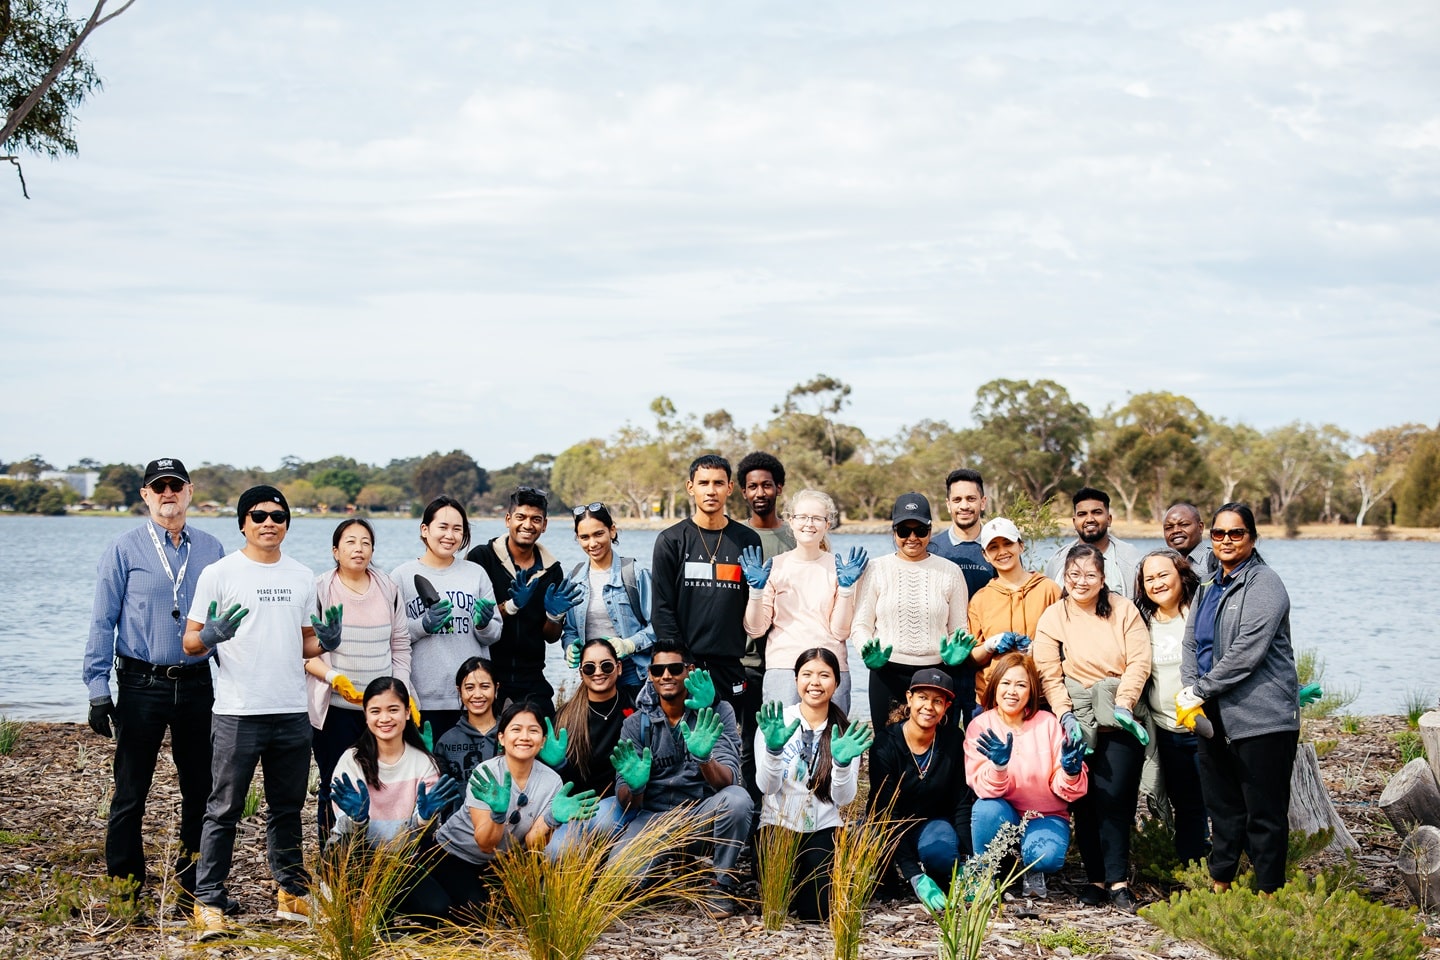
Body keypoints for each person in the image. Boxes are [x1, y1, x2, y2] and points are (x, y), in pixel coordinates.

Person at [183, 485, 331, 939]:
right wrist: (210, 636)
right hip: (238, 711)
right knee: (223, 809)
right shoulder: (219, 573)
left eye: (278, 516)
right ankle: (208, 901)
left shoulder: (302, 575)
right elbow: (189, 643)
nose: (269, 522)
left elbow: (306, 642)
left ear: (287, 523)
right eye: (259, 515)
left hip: (291, 709)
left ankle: (291, 892)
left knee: (287, 808)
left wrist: (328, 640)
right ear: (243, 523)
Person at [82, 457, 226, 908]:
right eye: (158, 487)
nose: (168, 494)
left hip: (198, 684)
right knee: (130, 792)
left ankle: (192, 889)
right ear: (145, 495)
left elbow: (225, 623)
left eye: (175, 486)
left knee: (200, 790)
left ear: (189, 492)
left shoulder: (212, 549)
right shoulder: (124, 549)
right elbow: (102, 621)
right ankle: (125, 891)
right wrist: (98, 689)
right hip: (141, 684)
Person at [1180, 503, 1299, 895]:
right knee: (1223, 809)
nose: (1226, 541)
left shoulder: (1265, 584)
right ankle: (1221, 885)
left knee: (1264, 814)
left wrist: (1199, 689)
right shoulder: (1207, 585)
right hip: (1213, 717)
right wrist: (1191, 693)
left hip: (1262, 718)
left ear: (1252, 537)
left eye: (1236, 533)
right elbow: (1191, 644)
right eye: (1219, 533)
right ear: (1211, 537)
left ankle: (1269, 893)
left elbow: (1247, 652)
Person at [1032, 543, 1152, 913]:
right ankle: (1095, 879)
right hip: (1077, 718)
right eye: (1074, 574)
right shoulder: (1054, 616)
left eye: (1090, 575)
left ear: (1103, 578)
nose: (1081, 581)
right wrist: (1064, 714)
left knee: (1115, 800)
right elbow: (1048, 672)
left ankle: (1118, 881)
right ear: (1064, 576)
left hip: (1119, 716)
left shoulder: (1123, 609)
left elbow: (1140, 660)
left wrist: (1124, 703)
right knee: (1083, 801)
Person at [610, 641, 753, 918]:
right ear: (650, 675)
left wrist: (704, 758)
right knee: (619, 885)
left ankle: (720, 883)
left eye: (675, 668)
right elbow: (627, 802)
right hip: (654, 819)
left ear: (689, 670)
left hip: (700, 816)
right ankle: (656, 875)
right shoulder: (635, 724)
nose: (666, 675)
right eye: (658, 670)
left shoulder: (717, 712)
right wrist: (635, 787)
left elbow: (728, 782)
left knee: (738, 801)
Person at [430, 702, 600, 916]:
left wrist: (551, 819)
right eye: (516, 729)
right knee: (479, 915)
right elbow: (485, 844)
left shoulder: (552, 781)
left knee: (529, 911)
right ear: (502, 737)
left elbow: (532, 843)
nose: (524, 737)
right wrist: (498, 814)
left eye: (533, 730)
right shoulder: (487, 773)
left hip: (503, 861)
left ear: (543, 741)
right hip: (456, 853)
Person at [305, 518, 411, 847]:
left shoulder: (388, 588)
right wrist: (334, 677)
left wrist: (401, 693)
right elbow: (304, 652)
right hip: (335, 709)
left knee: (378, 782)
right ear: (335, 551)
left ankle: (373, 858)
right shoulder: (320, 589)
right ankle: (333, 860)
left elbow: (400, 645)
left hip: (379, 711)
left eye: (365, 542)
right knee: (334, 784)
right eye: (350, 542)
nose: (358, 548)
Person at [326, 677, 461, 926]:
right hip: (358, 858)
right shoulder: (351, 761)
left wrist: (424, 819)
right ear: (365, 716)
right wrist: (357, 820)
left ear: (407, 713)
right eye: (375, 711)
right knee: (365, 916)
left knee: (438, 909)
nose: (385, 718)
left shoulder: (423, 762)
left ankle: (386, 905)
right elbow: (343, 829)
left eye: (393, 709)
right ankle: (353, 903)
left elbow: (423, 832)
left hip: (401, 861)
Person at [753, 648, 874, 922]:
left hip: (823, 828)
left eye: (824, 675)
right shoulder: (776, 722)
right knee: (774, 905)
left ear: (837, 682)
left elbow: (843, 799)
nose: (815, 682)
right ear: (796, 679)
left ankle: (807, 883)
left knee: (816, 913)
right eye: (807, 674)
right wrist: (773, 750)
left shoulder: (844, 732)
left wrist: (841, 764)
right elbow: (766, 787)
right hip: (778, 826)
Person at [964, 653, 1087, 900]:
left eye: (1021, 685)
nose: (1012, 691)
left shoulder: (1048, 723)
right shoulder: (980, 725)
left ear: (1032, 691)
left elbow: (1065, 789)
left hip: (1045, 815)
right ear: (995, 685)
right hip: (1002, 812)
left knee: (1046, 858)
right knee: (985, 809)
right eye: (1006, 683)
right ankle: (985, 873)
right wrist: (999, 766)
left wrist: (1071, 773)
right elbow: (983, 789)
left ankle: (1032, 868)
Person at [650, 455, 762, 713]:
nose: (711, 491)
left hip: (730, 664)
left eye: (718, 483)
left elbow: (753, 604)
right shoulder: (671, 540)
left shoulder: (747, 540)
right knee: (686, 733)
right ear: (691, 487)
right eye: (703, 483)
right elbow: (662, 609)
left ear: (730, 488)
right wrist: (681, 662)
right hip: (685, 667)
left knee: (730, 735)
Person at [850, 493, 972, 730]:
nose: (912, 538)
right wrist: (867, 652)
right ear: (894, 531)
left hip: (935, 674)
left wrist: (953, 655)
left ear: (930, 530)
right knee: (887, 744)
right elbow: (860, 625)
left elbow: (959, 628)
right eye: (904, 530)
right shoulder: (875, 568)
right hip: (886, 671)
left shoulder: (951, 571)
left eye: (920, 530)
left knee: (935, 744)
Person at [742, 489, 864, 713]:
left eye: (817, 518)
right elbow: (755, 629)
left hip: (831, 667)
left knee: (832, 735)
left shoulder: (840, 569)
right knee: (781, 733)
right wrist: (756, 591)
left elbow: (840, 632)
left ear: (827, 524)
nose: (809, 523)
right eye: (802, 517)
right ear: (791, 521)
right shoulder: (773, 566)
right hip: (784, 667)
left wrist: (846, 589)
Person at [391, 496, 502, 742]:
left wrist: (483, 624)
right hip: (422, 697)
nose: (450, 535)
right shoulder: (401, 576)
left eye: (457, 529)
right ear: (425, 529)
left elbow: (495, 633)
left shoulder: (476, 573)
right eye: (443, 527)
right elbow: (392, 635)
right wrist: (423, 625)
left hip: (471, 697)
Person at [468, 487, 581, 719]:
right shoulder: (482, 558)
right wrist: (511, 606)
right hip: (487, 672)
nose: (528, 525)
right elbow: (474, 619)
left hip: (532, 676)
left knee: (546, 731)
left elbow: (551, 636)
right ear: (508, 519)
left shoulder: (552, 570)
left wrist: (554, 616)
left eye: (536, 519)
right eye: (521, 517)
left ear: (544, 525)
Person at [866, 669, 972, 912]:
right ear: (909, 698)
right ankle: (901, 877)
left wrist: (968, 860)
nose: (929, 707)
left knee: (943, 852)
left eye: (937, 701)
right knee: (877, 864)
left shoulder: (953, 740)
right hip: (888, 824)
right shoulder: (885, 743)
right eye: (922, 697)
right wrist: (914, 875)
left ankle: (938, 873)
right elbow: (884, 812)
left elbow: (961, 801)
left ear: (946, 707)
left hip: (930, 823)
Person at [1134, 548, 1209, 865]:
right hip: (1167, 731)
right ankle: (1193, 868)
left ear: (1181, 575)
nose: (1157, 583)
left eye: (1163, 575)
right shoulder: (1142, 622)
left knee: (1220, 801)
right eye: (1149, 579)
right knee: (1187, 805)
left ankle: (1233, 867)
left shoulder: (1200, 613)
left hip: (1205, 727)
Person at [545, 638, 639, 852]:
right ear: (581, 672)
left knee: (601, 823)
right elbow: (566, 783)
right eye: (589, 667)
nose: (598, 672)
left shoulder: (636, 703)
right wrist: (559, 766)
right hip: (581, 803)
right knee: (555, 852)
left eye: (606, 666)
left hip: (626, 799)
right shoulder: (566, 717)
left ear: (619, 668)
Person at [965, 517, 1060, 707]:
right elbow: (973, 658)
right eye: (993, 547)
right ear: (985, 555)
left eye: (1008, 543)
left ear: (1021, 546)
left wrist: (1038, 650)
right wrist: (989, 646)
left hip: (1041, 697)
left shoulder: (1049, 590)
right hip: (993, 699)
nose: (1002, 552)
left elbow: (1067, 644)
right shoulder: (980, 599)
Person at [561, 502, 655, 691]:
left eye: (598, 534)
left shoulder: (635, 574)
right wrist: (569, 647)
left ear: (612, 531)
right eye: (584, 537)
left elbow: (659, 625)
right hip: (594, 676)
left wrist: (629, 644)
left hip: (634, 675)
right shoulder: (574, 579)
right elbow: (570, 630)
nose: (592, 543)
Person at [1043, 488, 1141, 599]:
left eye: (1097, 512)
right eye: (1082, 514)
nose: (1089, 519)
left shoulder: (1130, 558)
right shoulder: (1058, 561)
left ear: (1109, 519)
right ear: (1074, 522)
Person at [433, 657, 502, 788]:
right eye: (470, 688)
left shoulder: (510, 733)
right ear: (460, 691)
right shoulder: (447, 740)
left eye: (485, 687)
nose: (477, 695)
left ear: (496, 688)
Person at [928, 468, 997, 598]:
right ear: (948, 505)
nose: (964, 506)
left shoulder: (1000, 547)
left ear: (982, 503)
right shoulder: (932, 549)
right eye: (957, 500)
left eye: (971, 499)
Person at [1163, 503, 1215, 583]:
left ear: (1200, 527)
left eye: (1184, 525)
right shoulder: (1163, 564)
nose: (1176, 530)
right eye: (1169, 527)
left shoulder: (1215, 561)